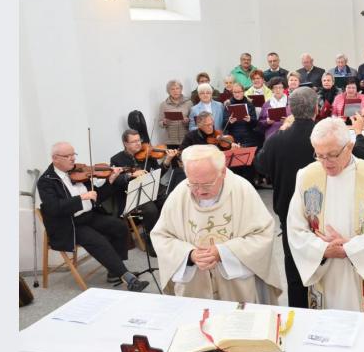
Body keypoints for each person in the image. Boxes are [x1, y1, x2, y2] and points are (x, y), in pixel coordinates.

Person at [254, 88, 364, 308]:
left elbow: (260, 165)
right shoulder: (329, 138)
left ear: (290, 109)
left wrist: (281, 131)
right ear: (317, 109)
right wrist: (359, 133)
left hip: (289, 216)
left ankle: (299, 313)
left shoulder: (278, 139)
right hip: (329, 215)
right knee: (329, 270)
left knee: (295, 269)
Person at [286, 117, 364, 313]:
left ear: (349, 147)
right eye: (319, 155)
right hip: (325, 272)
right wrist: (322, 249)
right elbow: (295, 229)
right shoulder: (306, 176)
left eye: (332, 155)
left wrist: (349, 248)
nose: (325, 163)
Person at [150, 144, 282, 302]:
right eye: (193, 183)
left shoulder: (242, 190)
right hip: (194, 285)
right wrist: (190, 255)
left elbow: (263, 235)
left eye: (207, 184)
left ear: (223, 172)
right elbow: (161, 237)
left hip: (236, 286)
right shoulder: (180, 193)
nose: (199, 191)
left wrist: (223, 252)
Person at [37, 142, 149, 292]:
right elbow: (53, 208)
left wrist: (111, 181)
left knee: (119, 226)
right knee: (98, 241)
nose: (72, 159)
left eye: (73, 155)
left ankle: (115, 272)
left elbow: (98, 196)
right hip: (70, 224)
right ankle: (128, 278)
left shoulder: (79, 173)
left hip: (89, 216)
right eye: (67, 156)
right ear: (55, 158)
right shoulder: (46, 181)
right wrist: (81, 197)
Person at [109, 129, 178, 257]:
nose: (138, 144)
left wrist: (167, 160)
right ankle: (151, 241)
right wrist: (131, 175)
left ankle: (167, 236)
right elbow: (116, 181)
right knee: (151, 210)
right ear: (125, 143)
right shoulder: (117, 159)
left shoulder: (148, 154)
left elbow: (157, 175)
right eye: (134, 141)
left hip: (152, 189)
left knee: (169, 201)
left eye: (139, 140)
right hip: (132, 194)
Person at [159, 79, 193, 149]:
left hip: (186, 139)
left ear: (181, 89)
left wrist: (187, 121)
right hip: (170, 141)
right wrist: (164, 122)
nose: (175, 91)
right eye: (172, 89)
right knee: (173, 159)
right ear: (168, 91)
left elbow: (193, 121)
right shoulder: (164, 105)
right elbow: (159, 122)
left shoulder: (189, 103)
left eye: (177, 88)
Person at [225, 82, 261, 148]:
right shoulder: (228, 104)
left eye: (239, 92)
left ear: (243, 92)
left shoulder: (249, 104)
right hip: (234, 137)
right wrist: (229, 122)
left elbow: (255, 123)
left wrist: (250, 120)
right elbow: (224, 125)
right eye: (234, 92)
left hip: (249, 136)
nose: (237, 94)